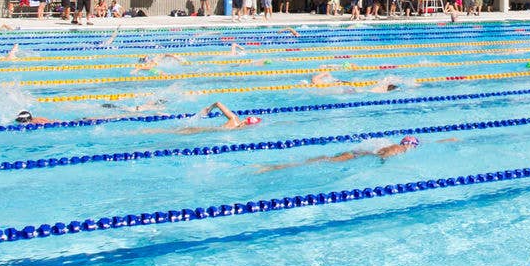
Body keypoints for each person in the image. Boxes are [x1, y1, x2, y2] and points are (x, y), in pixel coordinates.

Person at [256, 135, 427, 172]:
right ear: (411, 145)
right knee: (324, 161)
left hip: (355, 153)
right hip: (357, 156)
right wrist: (381, 163)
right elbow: (385, 153)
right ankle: (274, 167)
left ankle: (276, 166)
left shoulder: (393, 143)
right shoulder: (400, 148)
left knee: (324, 159)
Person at [173, 101, 261, 133]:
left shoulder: (235, 120)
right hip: (199, 131)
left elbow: (218, 104)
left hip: (201, 130)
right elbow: (218, 103)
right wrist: (208, 110)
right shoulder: (236, 122)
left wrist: (209, 109)